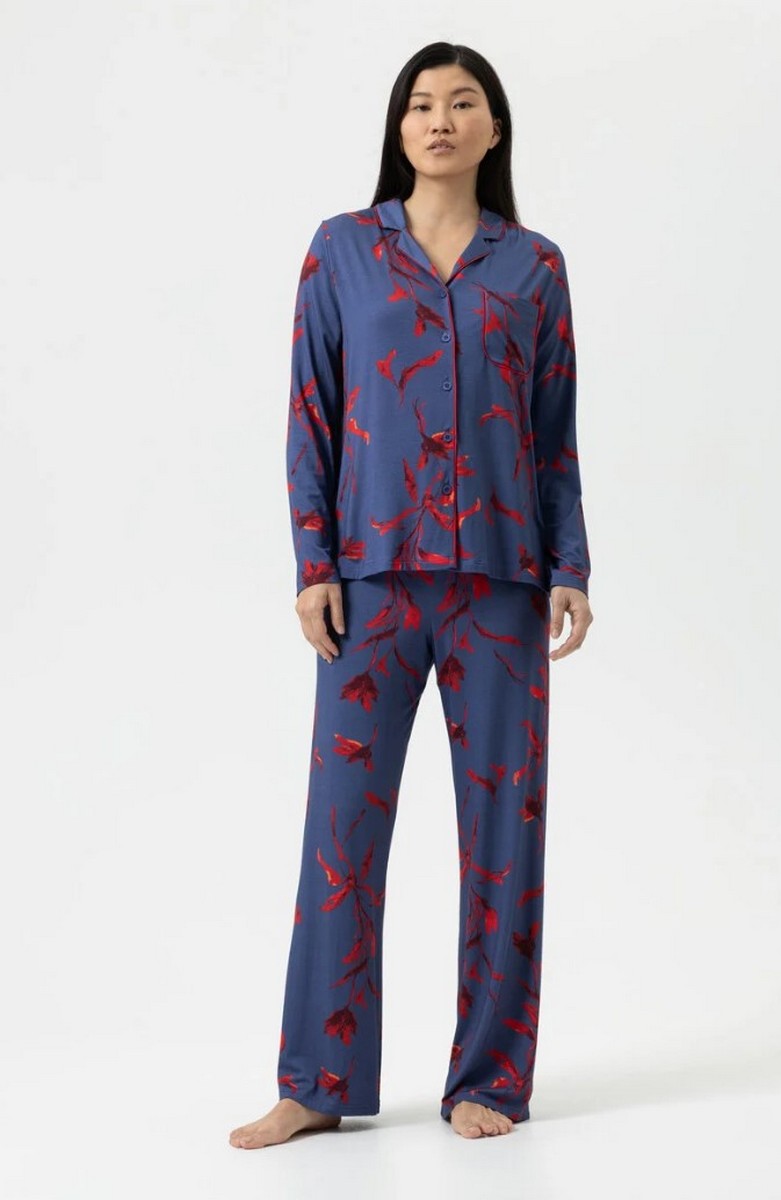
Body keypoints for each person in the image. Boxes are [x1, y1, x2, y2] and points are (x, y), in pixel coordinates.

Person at [230, 39, 594, 1149]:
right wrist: (312, 563)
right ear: (399, 130)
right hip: (371, 582)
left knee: (503, 838)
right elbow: (310, 409)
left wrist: (570, 566)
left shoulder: (532, 267)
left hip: (500, 583)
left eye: (462, 102)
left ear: (493, 129)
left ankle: (490, 1077)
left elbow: (552, 431)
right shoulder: (343, 250)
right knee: (339, 834)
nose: (439, 119)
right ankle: (316, 1080)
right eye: (420, 104)